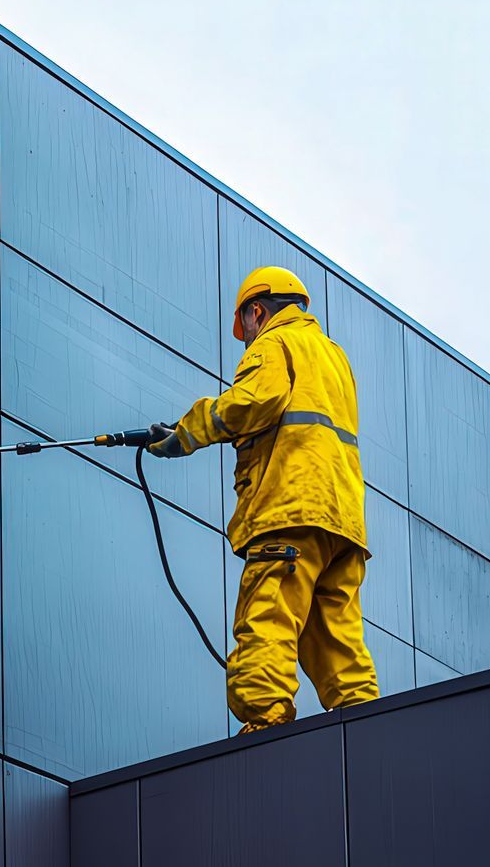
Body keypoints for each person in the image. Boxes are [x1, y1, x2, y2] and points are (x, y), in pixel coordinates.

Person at [146, 266, 377, 733]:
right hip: (342, 523)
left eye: (245, 328)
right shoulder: (334, 358)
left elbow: (257, 400)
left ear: (257, 310)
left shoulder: (275, 344)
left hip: (288, 511)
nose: (247, 340)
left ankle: (266, 726)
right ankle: (367, 727)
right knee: (335, 635)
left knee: (267, 616)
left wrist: (188, 431)